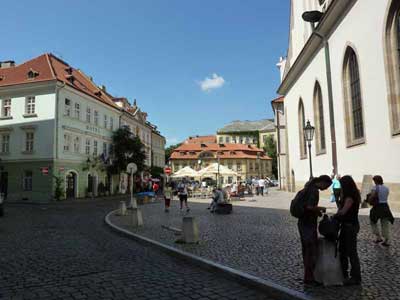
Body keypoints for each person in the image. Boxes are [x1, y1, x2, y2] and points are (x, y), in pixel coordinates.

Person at [298, 175, 331, 285]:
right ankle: (309, 278)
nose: (326, 188)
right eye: (327, 186)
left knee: (307, 248)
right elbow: (309, 207)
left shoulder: (308, 187)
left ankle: (308, 275)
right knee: (310, 249)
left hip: (303, 222)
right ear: (322, 182)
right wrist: (320, 209)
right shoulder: (314, 191)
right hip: (308, 223)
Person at [334, 175, 361, 286]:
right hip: (347, 225)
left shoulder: (350, 197)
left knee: (351, 252)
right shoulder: (349, 195)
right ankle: (344, 274)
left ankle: (355, 277)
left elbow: (343, 211)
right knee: (343, 250)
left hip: (350, 226)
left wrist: (336, 215)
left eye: (342, 185)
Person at [369, 175, 394, 247]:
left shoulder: (375, 187)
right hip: (385, 206)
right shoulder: (386, 188)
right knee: (385, 223)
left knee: (373, 221)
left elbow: (372, 196)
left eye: (374, 181)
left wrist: (369, 200)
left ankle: (378, 237)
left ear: (376, 181)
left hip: (377, 207)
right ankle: (386, 240)